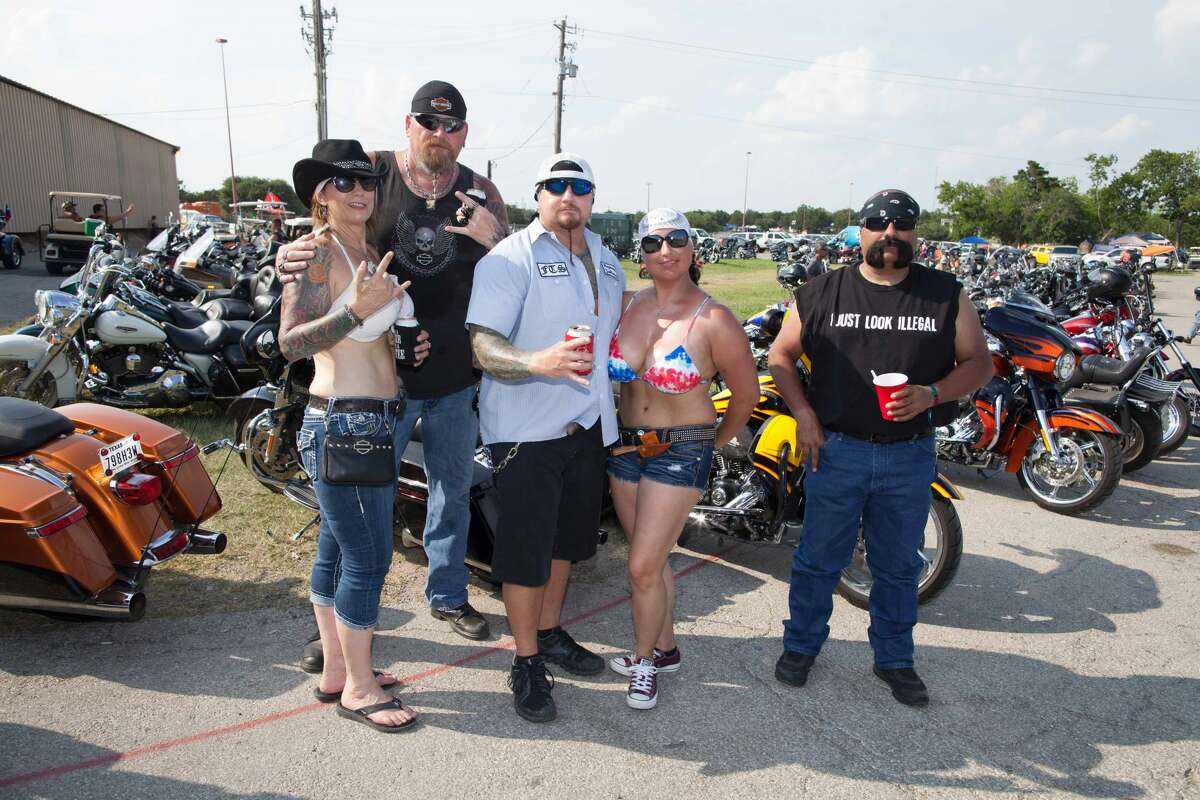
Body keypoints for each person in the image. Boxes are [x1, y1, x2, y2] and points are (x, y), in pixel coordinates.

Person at [278, 81, 507, 649]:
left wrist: (497, 236)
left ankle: (448, 595)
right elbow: (325, 222)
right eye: (429, 123)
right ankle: (337, 631)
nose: (440, 134)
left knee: (452, 491)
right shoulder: (373, 172)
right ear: (409, 124)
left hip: (454, 371)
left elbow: (512, 273)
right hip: (380, 382)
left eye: (451, 126)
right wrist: (289, 250)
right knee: (357, 512)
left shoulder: (482, 192)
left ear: (464, 134)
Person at [767, 189, 992, 707]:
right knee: (818, 559)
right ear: (860, 231)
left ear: (915, 233)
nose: (889, 232)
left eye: (901, 224)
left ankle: (894, 659)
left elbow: (978, 363)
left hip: (908, 454)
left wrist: (933, 393)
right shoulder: (822, 292)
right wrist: (803, 414)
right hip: (836, 450)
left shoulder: (944, 294)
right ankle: (801, 646)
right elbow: (781, 355)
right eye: (877, 223)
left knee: (896, 566)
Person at [466, 152, 624, 723]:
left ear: (591, 198)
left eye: (579, 186)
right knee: (526, 554)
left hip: (587, 427)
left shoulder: (608, 261)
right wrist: (538, 361)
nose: (568, 195)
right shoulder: (509, 259)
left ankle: (552, 631)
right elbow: (482, 346)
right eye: (555, 186)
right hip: (526, 433)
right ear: (537, 196)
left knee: (567, 545)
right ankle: (527, 660)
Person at [281, 138, 429, 732]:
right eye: (345, 182)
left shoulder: (368, 248)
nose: (361, 191)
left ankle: (339, 672)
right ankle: (361, 688)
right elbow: (290, 343)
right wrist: (354, 311)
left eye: (367, 180)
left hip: (374, 418)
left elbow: (366, 338)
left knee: (337, 550)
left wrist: (401, 340)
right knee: (368, 558)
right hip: (343, 422)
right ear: (321, 194)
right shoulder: (317, 254)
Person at [605, 208, 757, 710]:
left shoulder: (714, 318)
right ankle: (666, 648)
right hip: (627, 447)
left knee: (642, 565)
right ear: (641, 256)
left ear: (693, 249)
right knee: (653, 560)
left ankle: (644, 661)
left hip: (682, 448)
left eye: (676, 240)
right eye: (653, 242)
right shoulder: (625, 305)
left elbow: (745, 394)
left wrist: (713, 444)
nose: (665, 250)